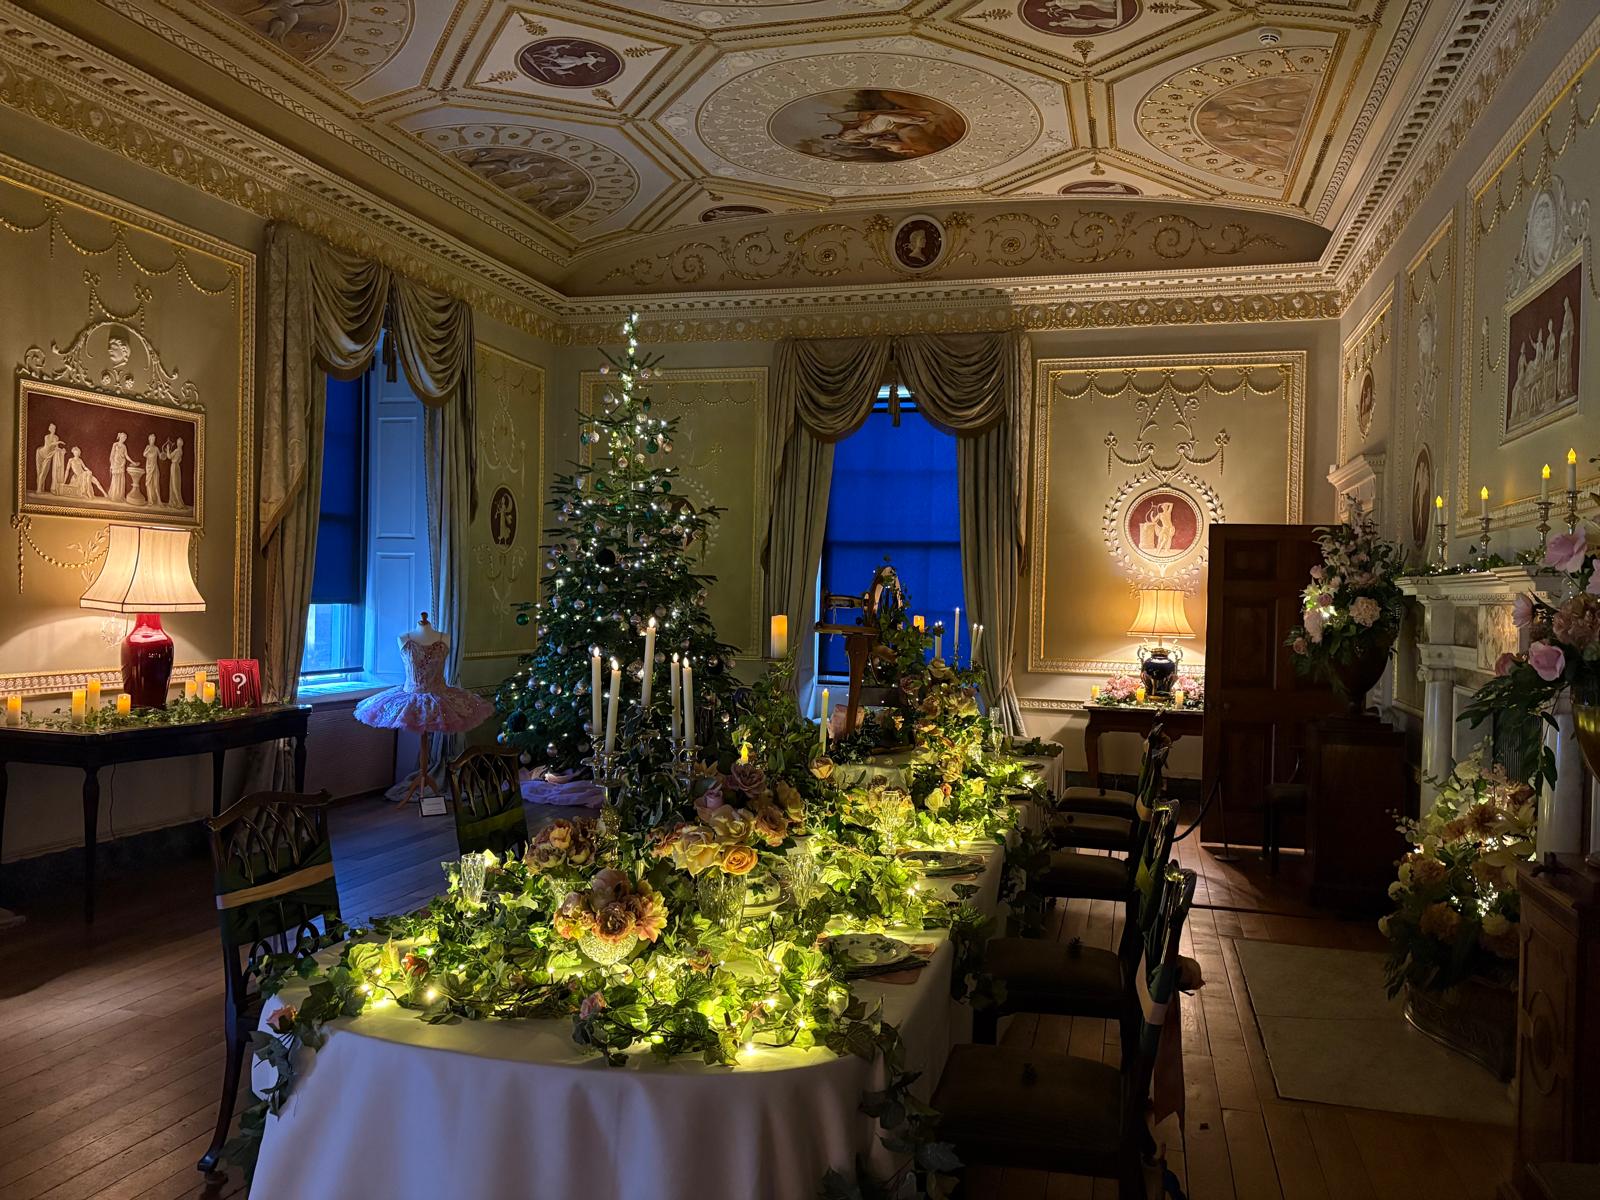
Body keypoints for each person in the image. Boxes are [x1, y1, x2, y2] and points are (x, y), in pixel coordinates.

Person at [34, 423, 63, 494]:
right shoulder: (46, 437)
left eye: (54, 429)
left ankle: (40, 488)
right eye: (52, 428)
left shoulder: (56, 437)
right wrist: (58, 442)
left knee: (44, 471)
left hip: (49, 455)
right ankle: (39, 488)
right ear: (49, 429)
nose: (53, 430)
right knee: (40, 471)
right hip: (41, 453)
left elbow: (56, 447)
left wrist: (61, 450)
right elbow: (48, 446)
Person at [107, 432, 131, 502]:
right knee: (115, 479)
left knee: (120, 480)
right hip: (115, 464)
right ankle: (114, 496)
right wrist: (111, 464)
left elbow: (126, 456)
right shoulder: (115, 444)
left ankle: (119, 496)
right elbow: (111, 455)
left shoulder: (124, 446)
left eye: (125, 438)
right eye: (123, 437)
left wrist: (133, 462)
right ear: (120, 437)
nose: (124, 439)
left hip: (121, 464)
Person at [164, 436, 185, 509]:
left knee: (174, 485)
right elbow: (178, 459)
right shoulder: (181, 451)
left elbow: (169, 457)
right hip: (177, 467)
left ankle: (179, 503)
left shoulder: (177, 450)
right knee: (175, 484)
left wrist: (168, 449)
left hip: (174, 466)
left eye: (178, 442)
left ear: (179, 443)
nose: (177, 443)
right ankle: (174, 502)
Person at [143, 434, 163, 507]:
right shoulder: (147, 447)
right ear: (149, 440)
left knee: (156, 484)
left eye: (154, 439)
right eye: (151, 439)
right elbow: (144, 454)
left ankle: (159, 501)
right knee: (148, 483)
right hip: (149, 468)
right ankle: (150, 501)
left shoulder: (156, 448)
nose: (153, 441)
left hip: (155, 467)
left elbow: (160, 456)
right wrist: (148, 450)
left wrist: (164, 453)